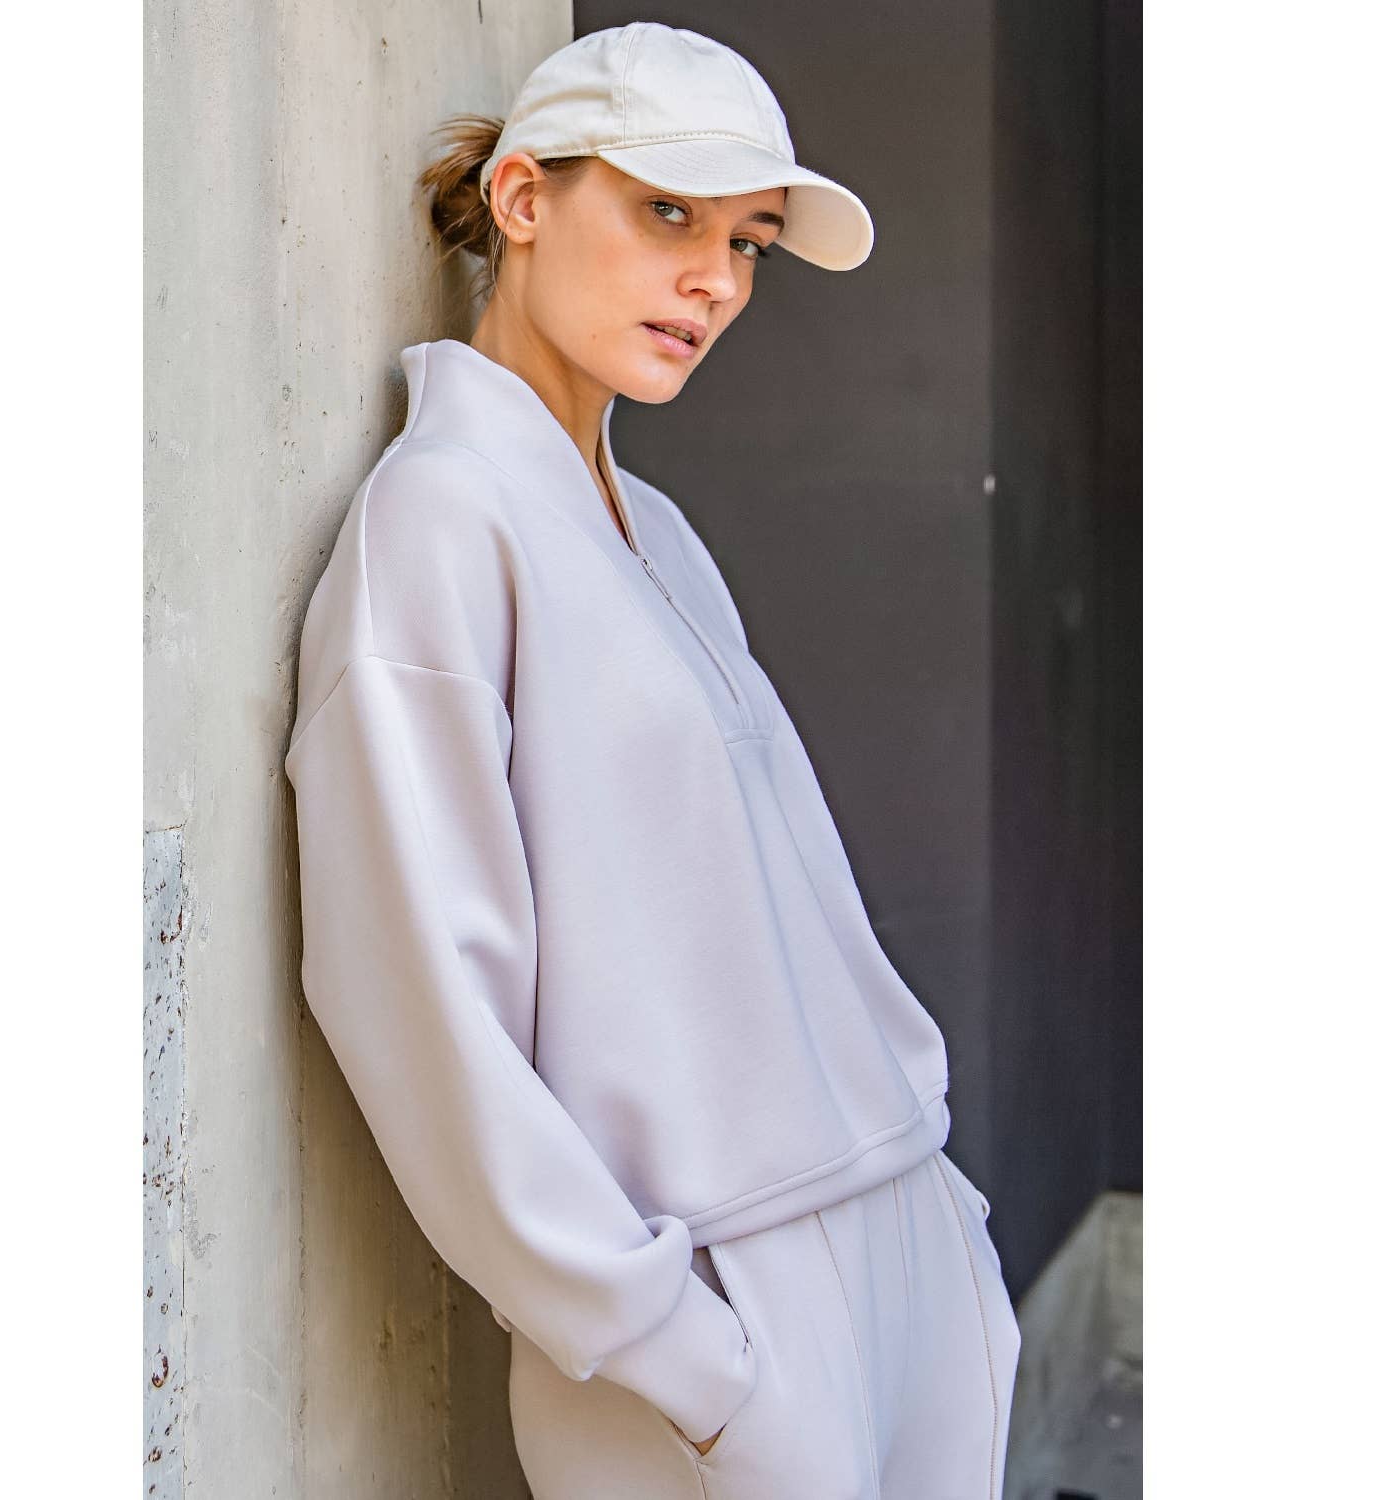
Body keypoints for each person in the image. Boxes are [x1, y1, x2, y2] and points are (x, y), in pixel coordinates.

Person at [285, 21, 1020, 1500]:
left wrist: (949, 1238)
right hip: (716, 1317)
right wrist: (683, 1357)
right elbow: (423, 1006)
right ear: (522, 198)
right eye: (669, 212)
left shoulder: (655, 531)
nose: (718, 282)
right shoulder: (441, 522)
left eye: (747, 242)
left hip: (896, 1248)